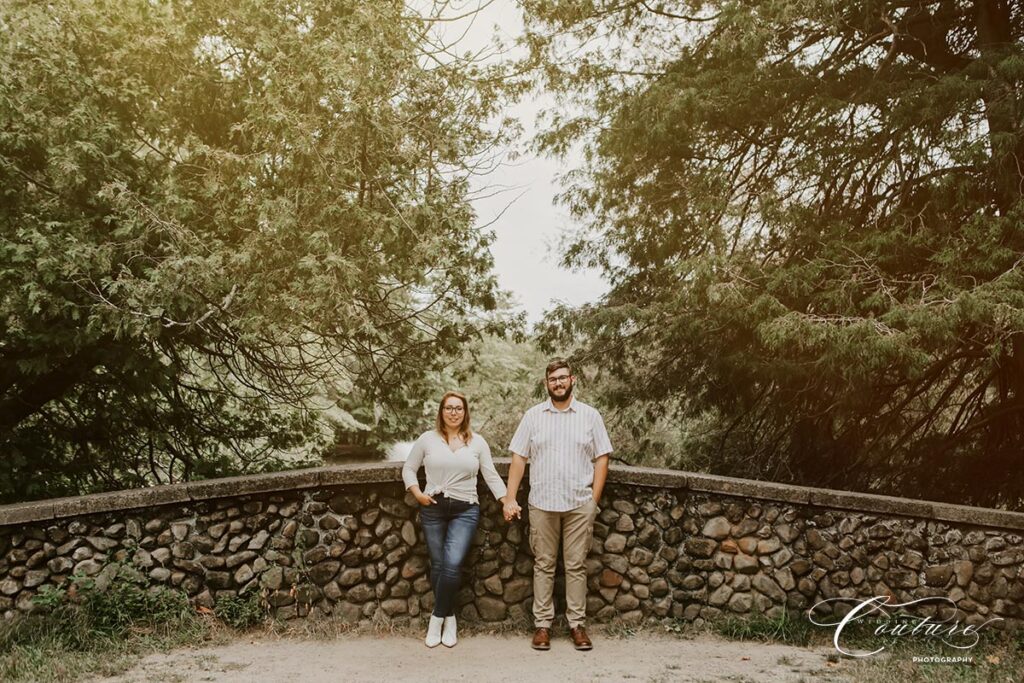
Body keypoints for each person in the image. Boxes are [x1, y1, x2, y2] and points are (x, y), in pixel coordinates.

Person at [503, 358, 612, 651]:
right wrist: (510, 497)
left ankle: (577, 626)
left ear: (572, 380)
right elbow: (518, 458)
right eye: (553, 379)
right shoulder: (533, 416)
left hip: (579, 504)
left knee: (576, 566)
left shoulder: (590, 415)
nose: (559, 383)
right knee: (544, 564)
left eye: (563, 378)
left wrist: (594, 501)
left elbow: (602, 457)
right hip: (542, 502)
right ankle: (542, 626)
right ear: (546, 383)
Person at [402, 391, 512, 648]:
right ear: (441, 412)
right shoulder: (427, 440)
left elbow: (491, 475)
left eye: (458, 408)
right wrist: (417, 493)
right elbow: (408, 468)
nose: (453, 412)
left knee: (452, 563)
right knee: (439, 565)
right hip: (433, 507)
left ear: (465, 412)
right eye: (449, 408)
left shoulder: (477, 442)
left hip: (466, 510)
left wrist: (506, 499)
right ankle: (450, 617)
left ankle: (437, 618)